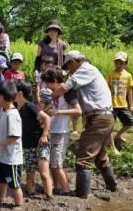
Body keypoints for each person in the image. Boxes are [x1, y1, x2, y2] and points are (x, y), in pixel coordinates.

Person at [53, 50, 117, 198]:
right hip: (103, 117)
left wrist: (49, 94)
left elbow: (64, 88)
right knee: (101, 158)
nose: (68, 70)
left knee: (83, 158)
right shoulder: (88, 72)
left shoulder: (85, 69)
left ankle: (82, 195)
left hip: (100, 118)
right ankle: (112, 187)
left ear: (75, 61)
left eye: (68, 66)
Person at [41, 68, 82, 195]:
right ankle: (57, 187)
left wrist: (58, 112)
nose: (46, 86)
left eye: (47, 83)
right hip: (53, 130)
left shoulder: (68, 92)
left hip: (62, 131)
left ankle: (66, 191)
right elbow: (53, 107)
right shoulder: (52, 93)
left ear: (54, 81)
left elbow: (78, 111)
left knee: (57, 164)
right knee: (53, 163)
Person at [14, 80, 53, 199]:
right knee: (30, 173)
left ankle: (49, 197)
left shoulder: (30, 106)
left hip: (40, 143)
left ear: (20, 93)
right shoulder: (16, 109)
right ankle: (30, 195)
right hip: (27, 145)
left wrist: (44, 135)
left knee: (44, 173)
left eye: (13, 92)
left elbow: (46, 118)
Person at [106, 51, 133, 152]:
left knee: (130, 122)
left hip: (123, 105)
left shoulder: (128, 76)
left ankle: (118, 136)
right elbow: (105, 89)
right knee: (110, 126)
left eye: (121, 63)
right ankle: (112, 147)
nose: (119, 65)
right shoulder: (110, 75)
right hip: (111, 105)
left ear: (125, 63)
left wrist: (131, 105)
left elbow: (129, 91)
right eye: (117, 62)